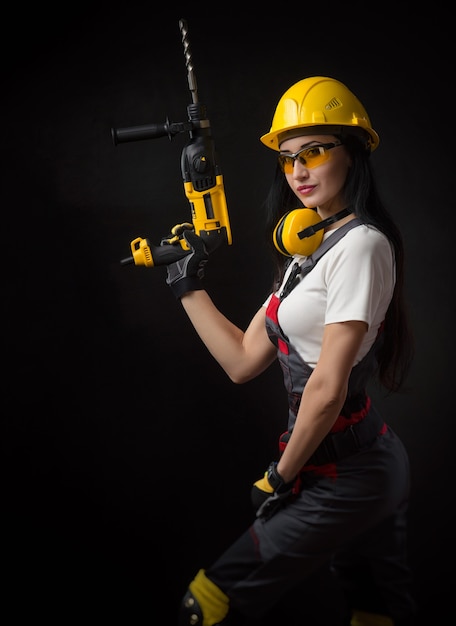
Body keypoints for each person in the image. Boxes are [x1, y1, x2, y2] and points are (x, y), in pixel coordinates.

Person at [165, 76, 416, 626]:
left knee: (208, 603)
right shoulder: (309, 254)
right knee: (374, 616)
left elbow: (325, 390)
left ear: (352, 153)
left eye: (315, 152)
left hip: (349, 469)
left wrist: (280, 475)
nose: (298, 171)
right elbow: (242, 360)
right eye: (286, 159)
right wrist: (185, 283)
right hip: (341, 464)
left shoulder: (362, 246)